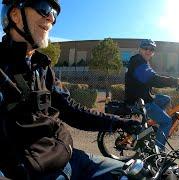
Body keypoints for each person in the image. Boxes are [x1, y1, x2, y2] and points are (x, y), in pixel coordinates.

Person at [0, 0, 141, 179]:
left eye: (55, 14)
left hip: (69, 155)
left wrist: (118, 122)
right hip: (37, 171)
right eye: (43, 8)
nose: (51, 18)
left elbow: (71, 110)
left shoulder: (42, 66)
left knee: (132, 174)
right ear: (15, 16)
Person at [125, 39, 179, 151]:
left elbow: (154, 77)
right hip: (139, 102)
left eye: (151, 49)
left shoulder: (143, 62)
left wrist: (174, 82)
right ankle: (158, 153)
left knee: (166, 99)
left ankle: (149, 125)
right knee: (167, 121)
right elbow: (153, 79)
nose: (148, 51)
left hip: (145, 97)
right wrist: (176, 81)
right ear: (139, 49)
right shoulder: (137, 61)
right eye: (145, 48)